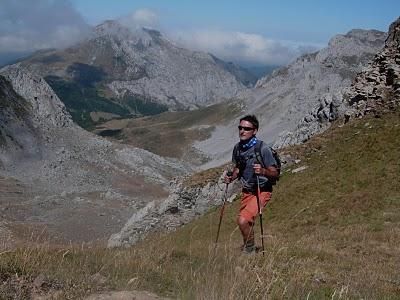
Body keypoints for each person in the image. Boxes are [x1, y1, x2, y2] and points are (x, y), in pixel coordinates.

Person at [224, 114, 278, 254]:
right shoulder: (238, 148)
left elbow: (275, 173)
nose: (242, 131)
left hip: (262, 190)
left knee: (242, 221)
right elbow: (238, 168)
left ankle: (249, 252)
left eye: (246, 128)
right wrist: (232, 178)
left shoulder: (263, 149)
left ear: (254, 131)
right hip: (247, 191)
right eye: (240, 127)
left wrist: (263, 171)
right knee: (246, 223)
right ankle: (250, 248)